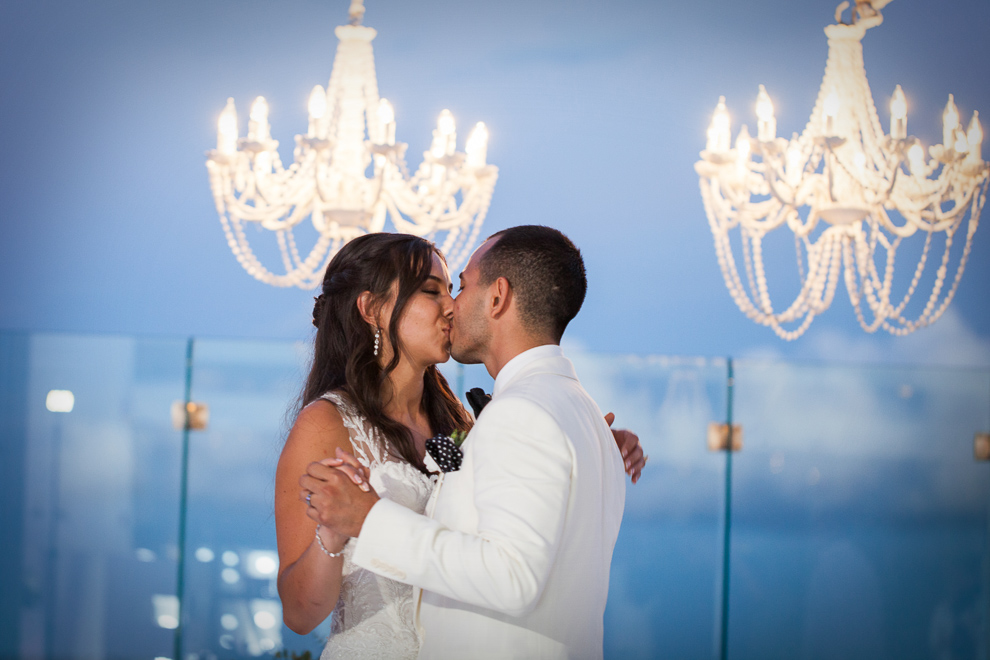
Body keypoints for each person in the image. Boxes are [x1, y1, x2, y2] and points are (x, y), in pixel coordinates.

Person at [275, 231, 644, 659]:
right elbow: (300, 613)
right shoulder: (327, 423)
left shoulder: (461, 423)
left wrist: (577, 448)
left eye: (454, 289)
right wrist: (334, 533)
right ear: (372, 309)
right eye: (432, 291)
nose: (451, 305)